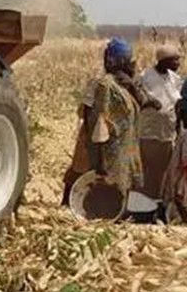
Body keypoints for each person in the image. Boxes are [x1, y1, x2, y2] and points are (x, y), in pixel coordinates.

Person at [61, 38, 150, 206]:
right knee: (90, 178)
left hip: (124, 148)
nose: (134, 67)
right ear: (122, 63)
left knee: (119, 187)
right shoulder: (103, 85)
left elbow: (146, 103)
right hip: (105, 149)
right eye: (131, 63)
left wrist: (132, 86)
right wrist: (99, 155)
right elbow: (95, 120)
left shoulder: (126, 85)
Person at [138, 44, 183, 199]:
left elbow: (176, 105)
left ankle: (158, 201)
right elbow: (139, 99)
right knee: (147, 169)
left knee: (163, 170)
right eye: (175, 60)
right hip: (149, 132)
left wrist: (178, 130)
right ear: (163, 61)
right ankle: (144, 200)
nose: (178, 63)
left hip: (167, 133)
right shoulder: (146, 76)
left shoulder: (175, 79)